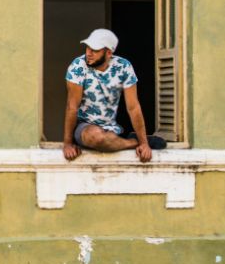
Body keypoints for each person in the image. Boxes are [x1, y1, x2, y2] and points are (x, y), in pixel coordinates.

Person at [62, 28, 166, 163]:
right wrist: (67, 144)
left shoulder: (123, 67)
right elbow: (72, 106)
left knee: (106, 138)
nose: (89, 53)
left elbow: (133, 107)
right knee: (96, 137)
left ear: (109, 52)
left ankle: (128, 140)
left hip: (111, 128)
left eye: (95, 50)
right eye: (87, 48)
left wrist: (144, 143)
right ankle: (131, 142)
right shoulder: (78, 66)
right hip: (85, 126)